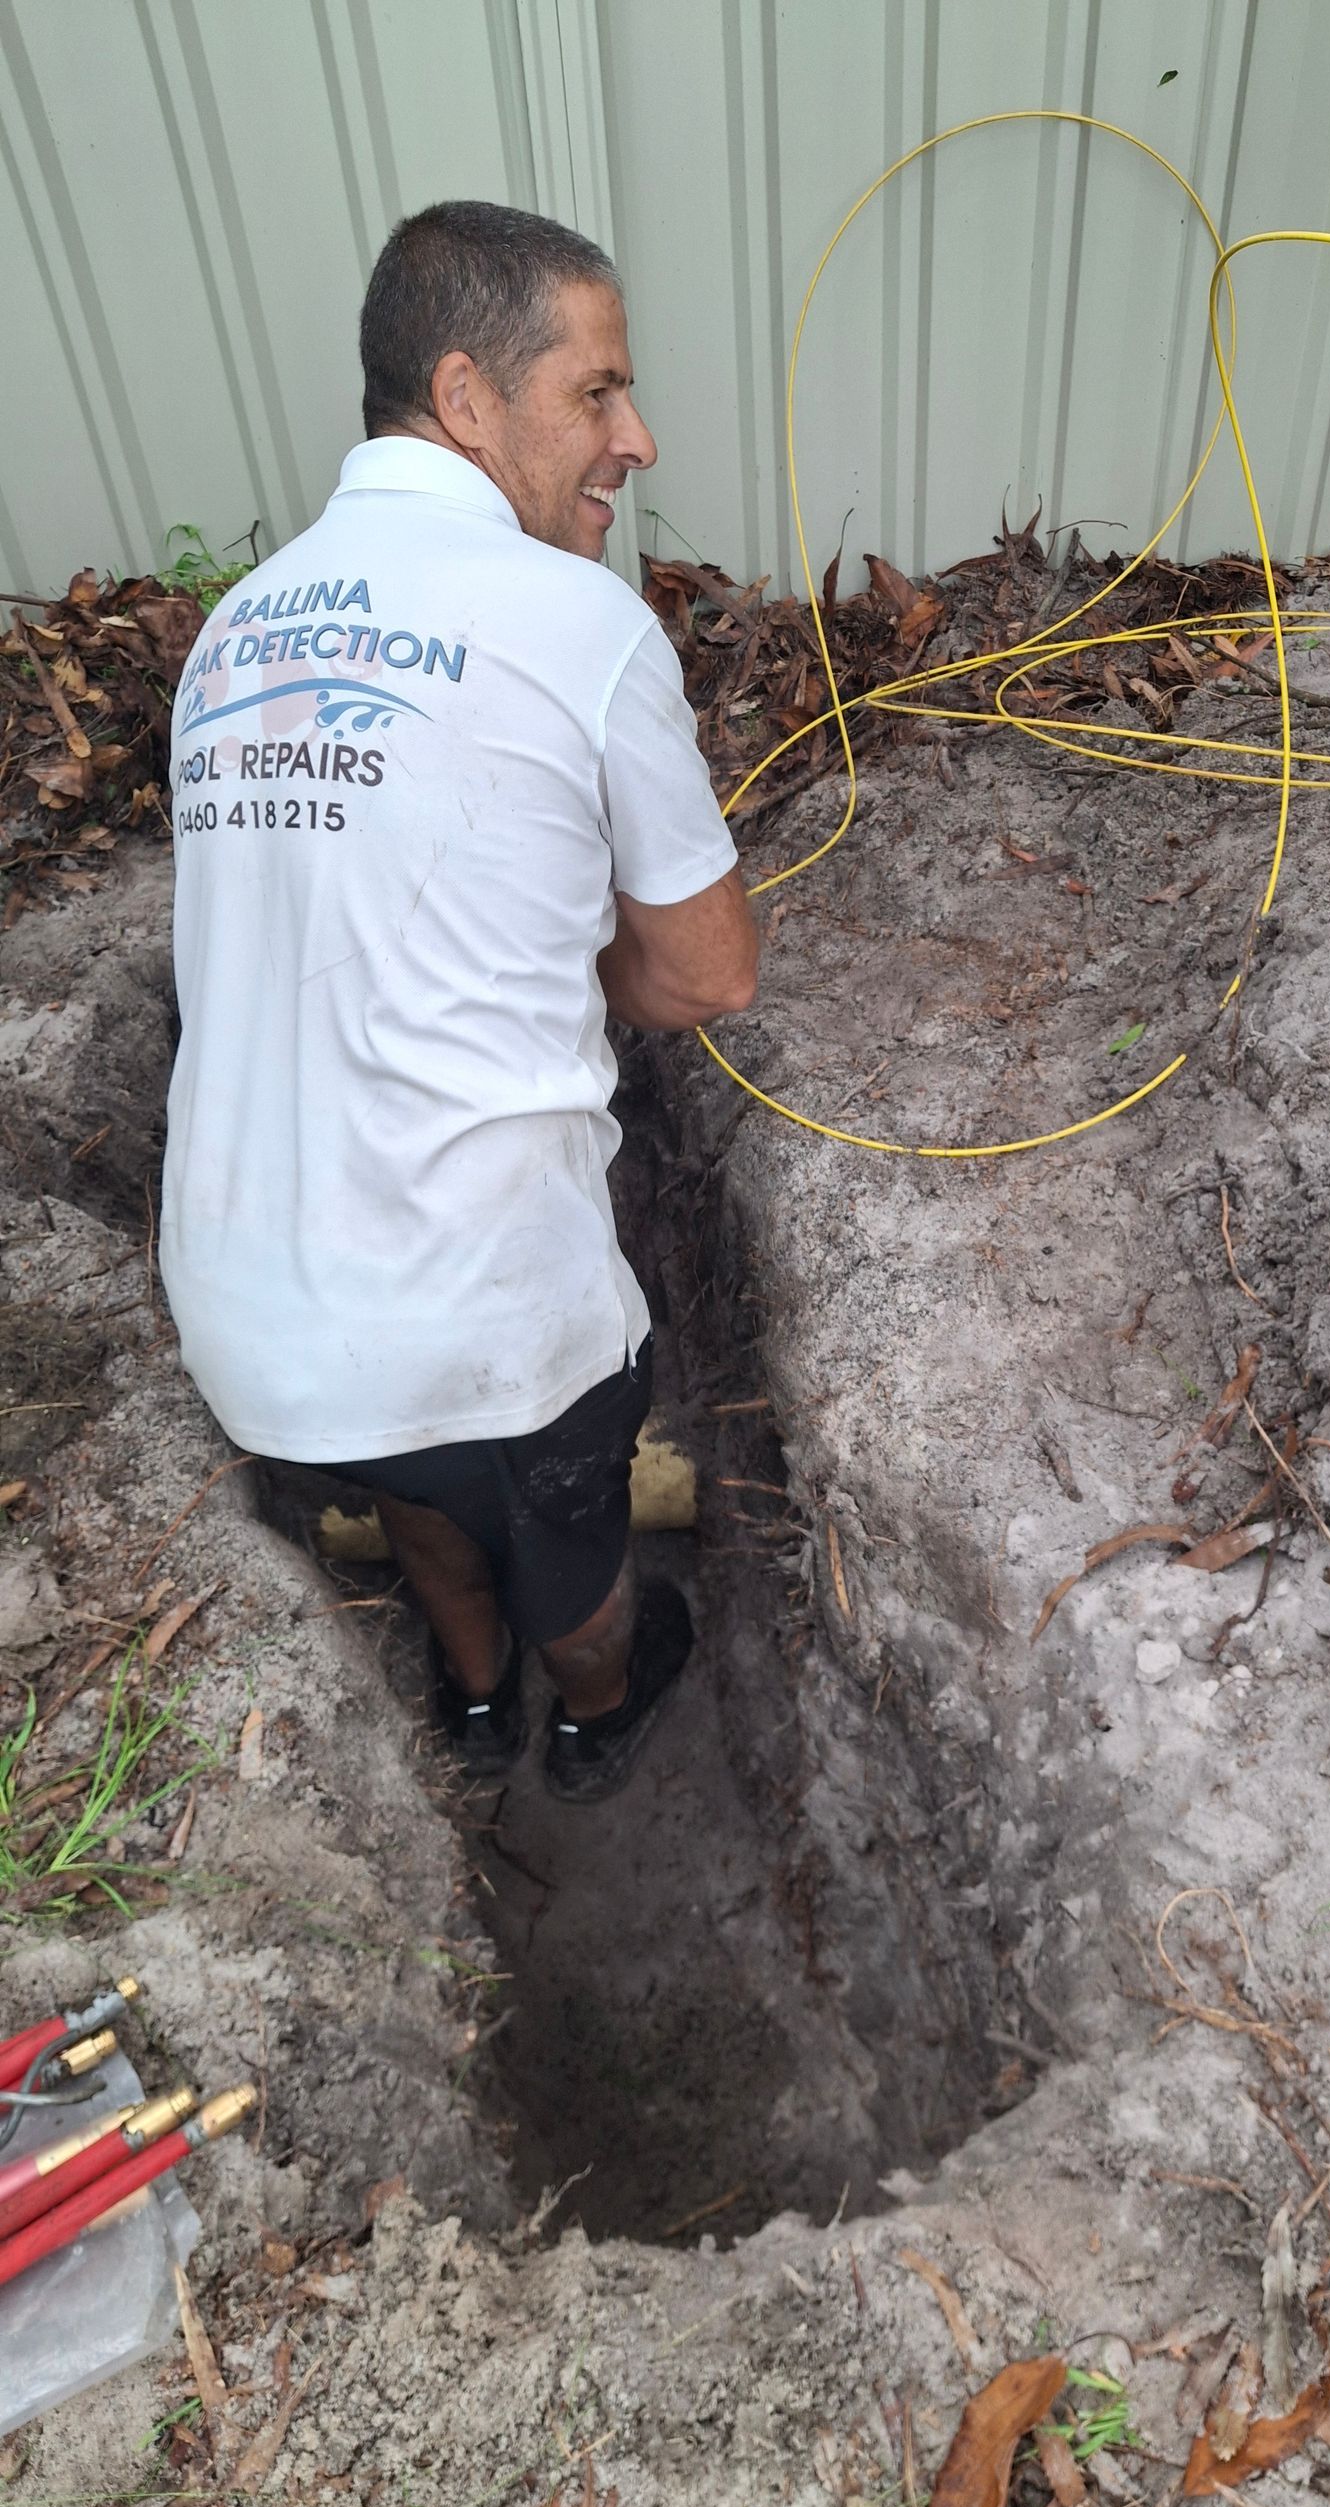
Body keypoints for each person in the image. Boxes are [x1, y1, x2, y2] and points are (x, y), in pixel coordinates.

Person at [160, 201, 757, 1804]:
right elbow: (706, 971)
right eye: (598, 391)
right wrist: (574, 972)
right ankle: (599, 1709)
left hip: (254, 1316)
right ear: (466, 395)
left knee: (414, 1489)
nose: (638, 437)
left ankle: (475, 1698)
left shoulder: (227, 640)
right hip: (492, 1310)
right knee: (567, 1528)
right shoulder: (579, 627)